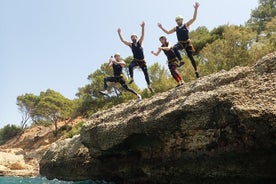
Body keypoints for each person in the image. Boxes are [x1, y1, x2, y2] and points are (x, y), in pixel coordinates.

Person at [158, 2, 200, 78]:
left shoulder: (186, 25)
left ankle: (196, 70)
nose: (178, 21)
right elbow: (168, 32)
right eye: (176, 20)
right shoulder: (176, 28)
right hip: (180, 43)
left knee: (190, 56)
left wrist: (196, 9)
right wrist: (161, 28)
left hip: (187, 43)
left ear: (182, 20)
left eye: (179, 20)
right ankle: (181, 60)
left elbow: (194, 18)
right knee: (174, 47)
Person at [117, 21, 153, 92]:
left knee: (146, 73)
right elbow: (123, 40)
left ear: (136, 38)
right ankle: (132, 78)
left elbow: (142, 35)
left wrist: (143, 27)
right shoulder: (131, 45)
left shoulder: (139, 43)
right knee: (130, 66)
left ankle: (149, 85)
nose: (133, 38)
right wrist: (119, 33)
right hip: (136, 60)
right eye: (132, 37)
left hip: (142, 61)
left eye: (134, 37)